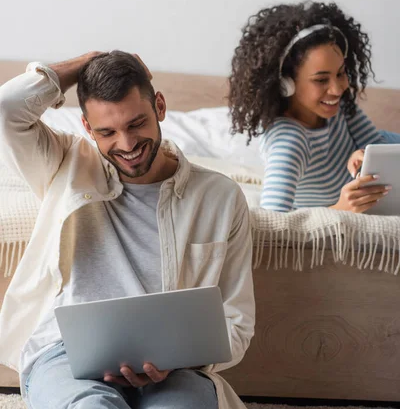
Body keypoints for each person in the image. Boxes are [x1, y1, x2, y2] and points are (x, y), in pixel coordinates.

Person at [0, 51, 255, 409]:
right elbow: (6, 108)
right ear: (88, 128)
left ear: (160, 107)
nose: (127, 144)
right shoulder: (63, 164)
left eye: (136, 124)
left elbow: (237, 322)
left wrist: (178, 358)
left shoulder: (221, 198)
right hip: (66, 354)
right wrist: (91, 60)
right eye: (107, 131)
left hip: (176, 368)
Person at [228, 1, 400, 213]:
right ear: (286, 84)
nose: (337, 89)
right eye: (321, 80)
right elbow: (273, 223)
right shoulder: (289, 143)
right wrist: (340, 209)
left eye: (340, 73)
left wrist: (363, 153)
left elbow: (377, 144)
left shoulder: (340, 106)